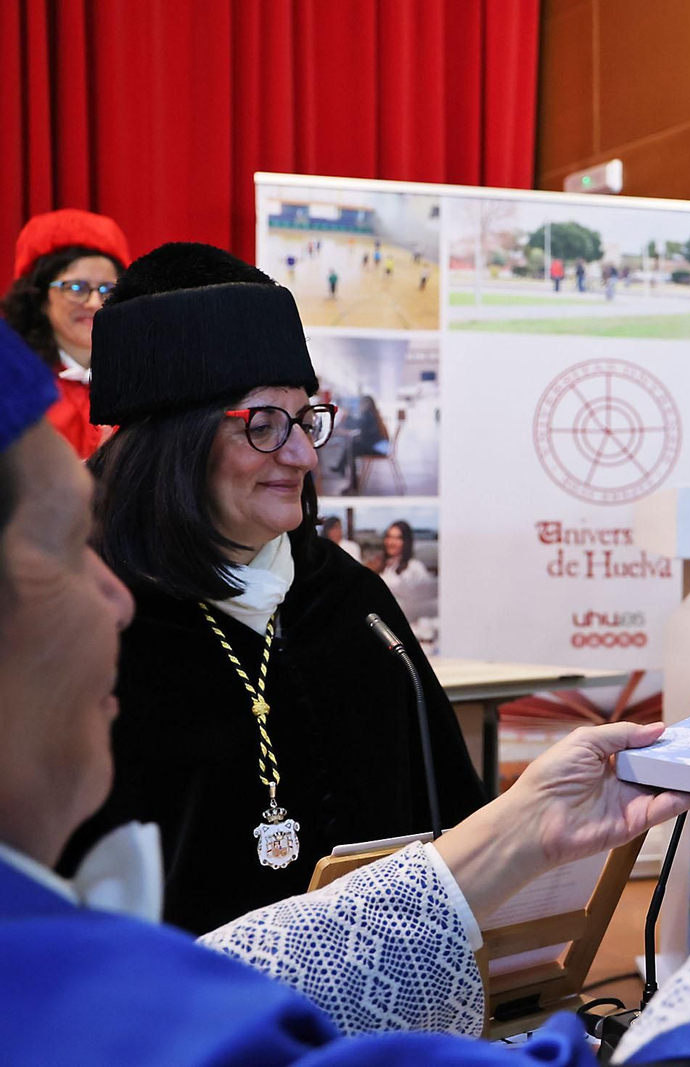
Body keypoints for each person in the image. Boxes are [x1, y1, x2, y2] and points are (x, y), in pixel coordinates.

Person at [0, 317, 690, 1065]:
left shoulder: (344, 600)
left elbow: (221, 974)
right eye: (65, 543)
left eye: (302, 420)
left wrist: (515, 833)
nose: (113, 596)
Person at [59, 243, 486, 935]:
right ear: (174, 437)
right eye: (263, 424)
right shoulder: (76, 612)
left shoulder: (347, 603)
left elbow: (445, 828)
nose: (305, 456)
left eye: (306, 418)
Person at [1, 208, 131, 459]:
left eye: (108, 289)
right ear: (37, 295)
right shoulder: (11, 386)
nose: (95, 302)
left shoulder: (141, 379)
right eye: (76, 287)